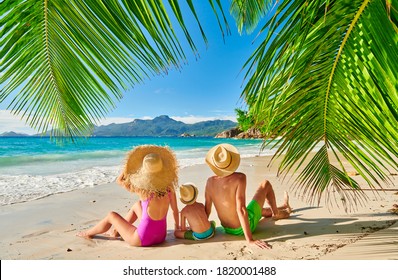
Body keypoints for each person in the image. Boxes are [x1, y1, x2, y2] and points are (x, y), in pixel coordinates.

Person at [77, 145, 180, 247]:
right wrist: (177, 229)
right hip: (161, 237)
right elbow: (175, 211)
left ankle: (87, 233)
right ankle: (116, 232)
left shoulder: (143, 191)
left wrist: (128, 167)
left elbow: (119, 180)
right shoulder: (170, 189)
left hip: (142, 239)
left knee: (111, 215)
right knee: (137, 205)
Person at [204, 143, 292, 249]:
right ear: (231, 161)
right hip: (242, 228)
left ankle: (283, 206)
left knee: (262, 211)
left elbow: (207, 210)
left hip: (227, 229)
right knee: (265, 184)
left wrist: (200, 229)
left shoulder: (209, 182)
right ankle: (277, 213)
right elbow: (241, 209)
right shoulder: (239, 178)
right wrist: (250, 240)